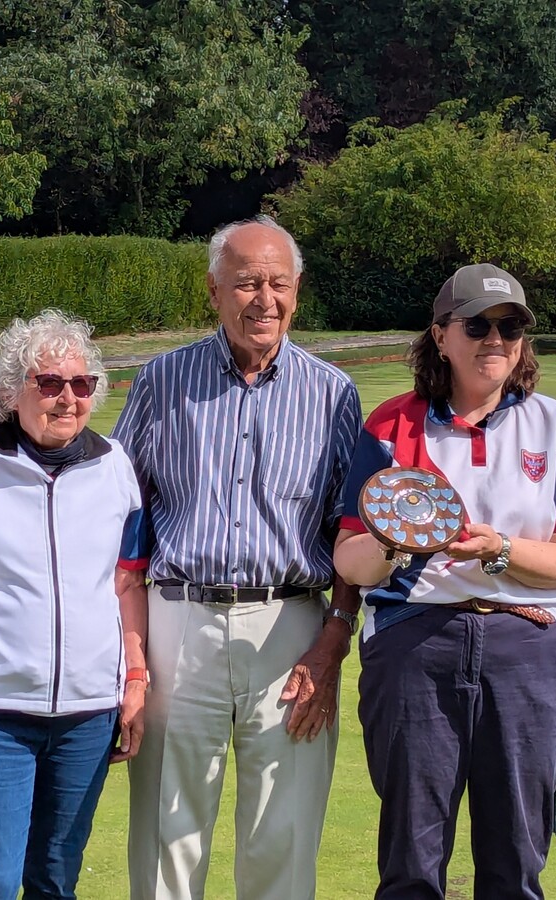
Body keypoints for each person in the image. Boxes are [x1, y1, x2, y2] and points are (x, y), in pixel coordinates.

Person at [333, 263, 556, 899]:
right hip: (414, 639)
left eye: (510, 327)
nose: (496, 340)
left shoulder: (555, 425)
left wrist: (499, 551)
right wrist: (396, 542)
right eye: (478, 325)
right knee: (410, 853)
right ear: (440, 335)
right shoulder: (392, 425)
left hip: (530, 639)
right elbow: (350, 561)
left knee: (516, 855)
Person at [112, 216, 363, 900]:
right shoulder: (162, 382)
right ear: (214, 290)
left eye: (278, 283)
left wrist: (334, 642)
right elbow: (118, 512)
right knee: (167, 832)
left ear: (297, 290)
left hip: (292, 628)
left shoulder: (333, 393)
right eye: (247, 282)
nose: (265, 299)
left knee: (281, 834)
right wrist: (127, 654)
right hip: (178, 622)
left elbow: (353, 532)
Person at [0, 310, 146, 900]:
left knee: (55, 880)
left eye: (81, 385)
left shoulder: (115, 465)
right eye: (50, 384)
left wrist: (135, 677)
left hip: (89, 711)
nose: (68, 399)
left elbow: (126, 582)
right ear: (11, 392)